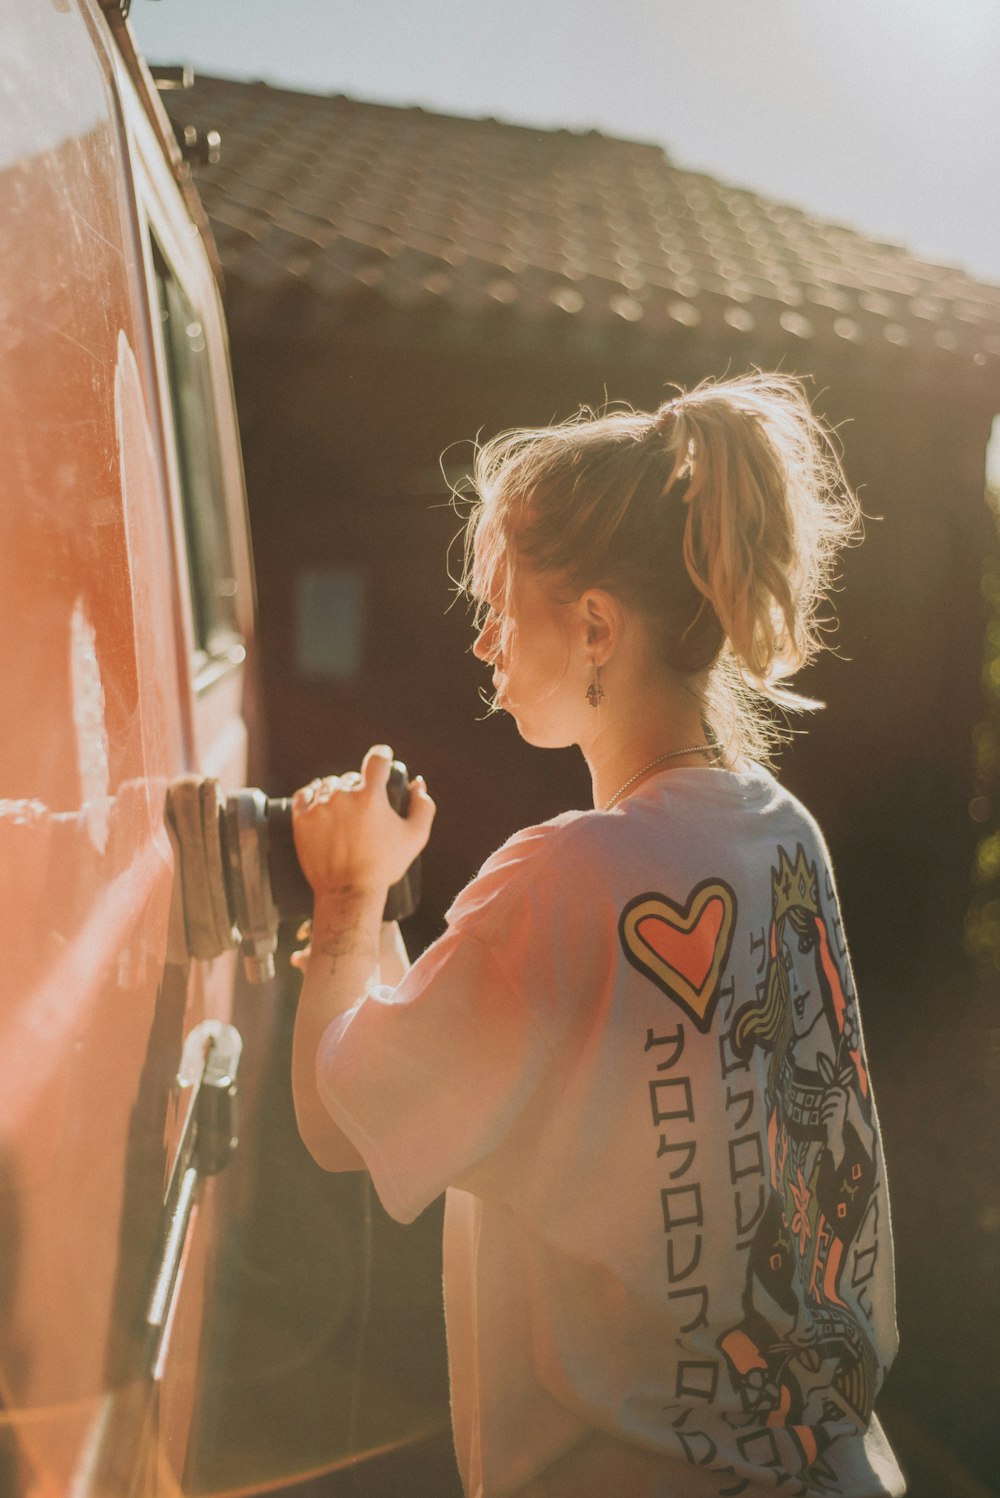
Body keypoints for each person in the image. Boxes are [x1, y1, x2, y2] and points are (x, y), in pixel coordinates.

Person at [290, 374, 905, 1498]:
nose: (482, 639)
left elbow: (341, 1119)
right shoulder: (780, 834)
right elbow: (444, 1068)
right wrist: (381, 916)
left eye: (501, 601)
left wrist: (342, 900)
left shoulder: (561, 877)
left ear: (593, 626)